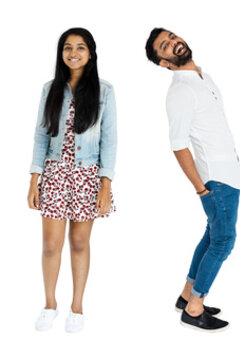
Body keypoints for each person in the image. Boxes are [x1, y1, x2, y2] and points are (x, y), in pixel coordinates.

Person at [145, 27, 240, 332]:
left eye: (172, 37)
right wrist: (201, 188)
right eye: (165, 45)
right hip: (215, 179)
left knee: (212, 236)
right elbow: (178, 144)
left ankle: (187, 294)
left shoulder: (202, 76)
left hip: (229, 172)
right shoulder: (180, 91)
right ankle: (195, 307)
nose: (173, 42)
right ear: (163, 62)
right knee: (224, 242)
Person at [29, 27, 116, 333]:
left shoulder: (104, 91)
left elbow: (110, 141)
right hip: (54, 173)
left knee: (80, 242)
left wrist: (106, 185)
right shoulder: (49, 89)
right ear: (61, 53)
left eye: (80, 47)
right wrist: (33, 179)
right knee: (51, 245)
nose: (74, 53)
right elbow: (41, 136)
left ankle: (76, 307)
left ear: (90, 53)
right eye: (68, 47)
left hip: (87, 174)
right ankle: (49, 304)